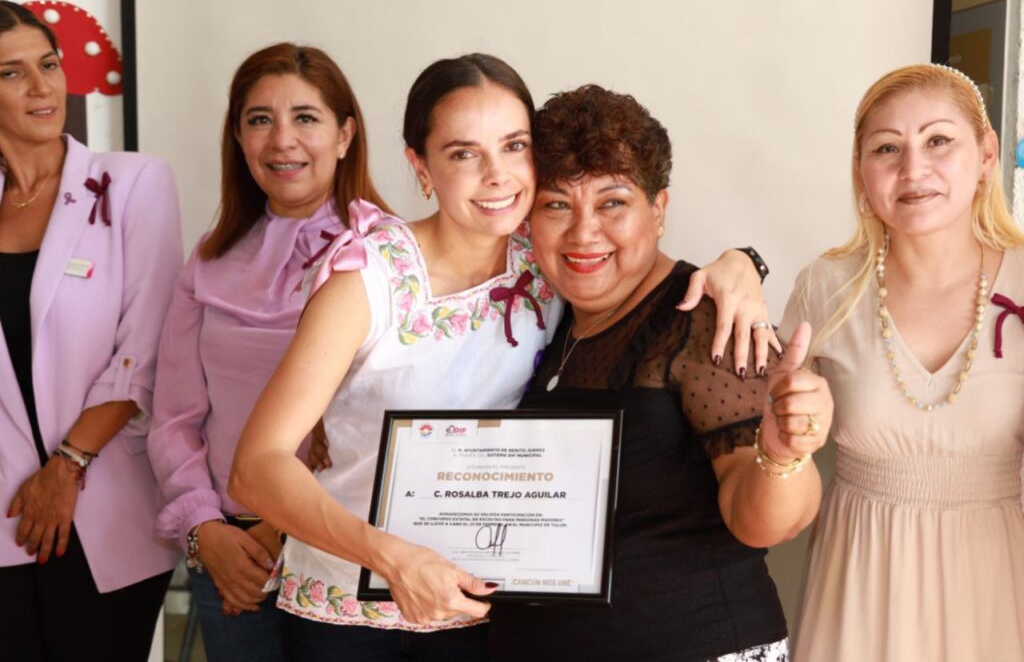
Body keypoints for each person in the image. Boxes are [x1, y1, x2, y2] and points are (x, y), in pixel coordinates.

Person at [229, 55, 776, 661]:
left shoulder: (547, 262)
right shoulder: (370, 278)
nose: (496, 176)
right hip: (356, 611)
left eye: (514, 146)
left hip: (487, 610)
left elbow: (642, 263)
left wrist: (740, 265)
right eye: (464, 153)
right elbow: (256, 466)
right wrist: (391, 558)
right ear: (421, 166)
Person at [482, 84, 832, 661]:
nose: (583, 232)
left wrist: (783, 455)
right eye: (556, 205)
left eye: (612, 203)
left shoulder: (707, 321)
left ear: (659, 209)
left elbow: (768, 525)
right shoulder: (543, 319)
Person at [147, 42, 391, 662]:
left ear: (345, 135)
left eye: (305, 117)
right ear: (238, 137)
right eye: (260, 119)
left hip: (342, 545)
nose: (282, 140)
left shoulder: (389, 254)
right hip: (227, 552)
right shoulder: (209, 258)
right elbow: (174, 416)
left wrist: (275, 529)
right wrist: (205, 530)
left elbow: (378, 419)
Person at [783, 64, 1024, 661]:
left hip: (997, 577)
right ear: (861, 171)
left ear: (986, 154)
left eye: (938, 140)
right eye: (887, 148)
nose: (913, 169)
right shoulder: (824, 287)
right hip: (860, 580)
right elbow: (774, 451)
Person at [0, 0, 182, 661]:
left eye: (48, 64)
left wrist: (67, 465)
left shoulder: (133, 182)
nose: (42, 87)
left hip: (102, 508)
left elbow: (147, 345)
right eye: (11, 73)